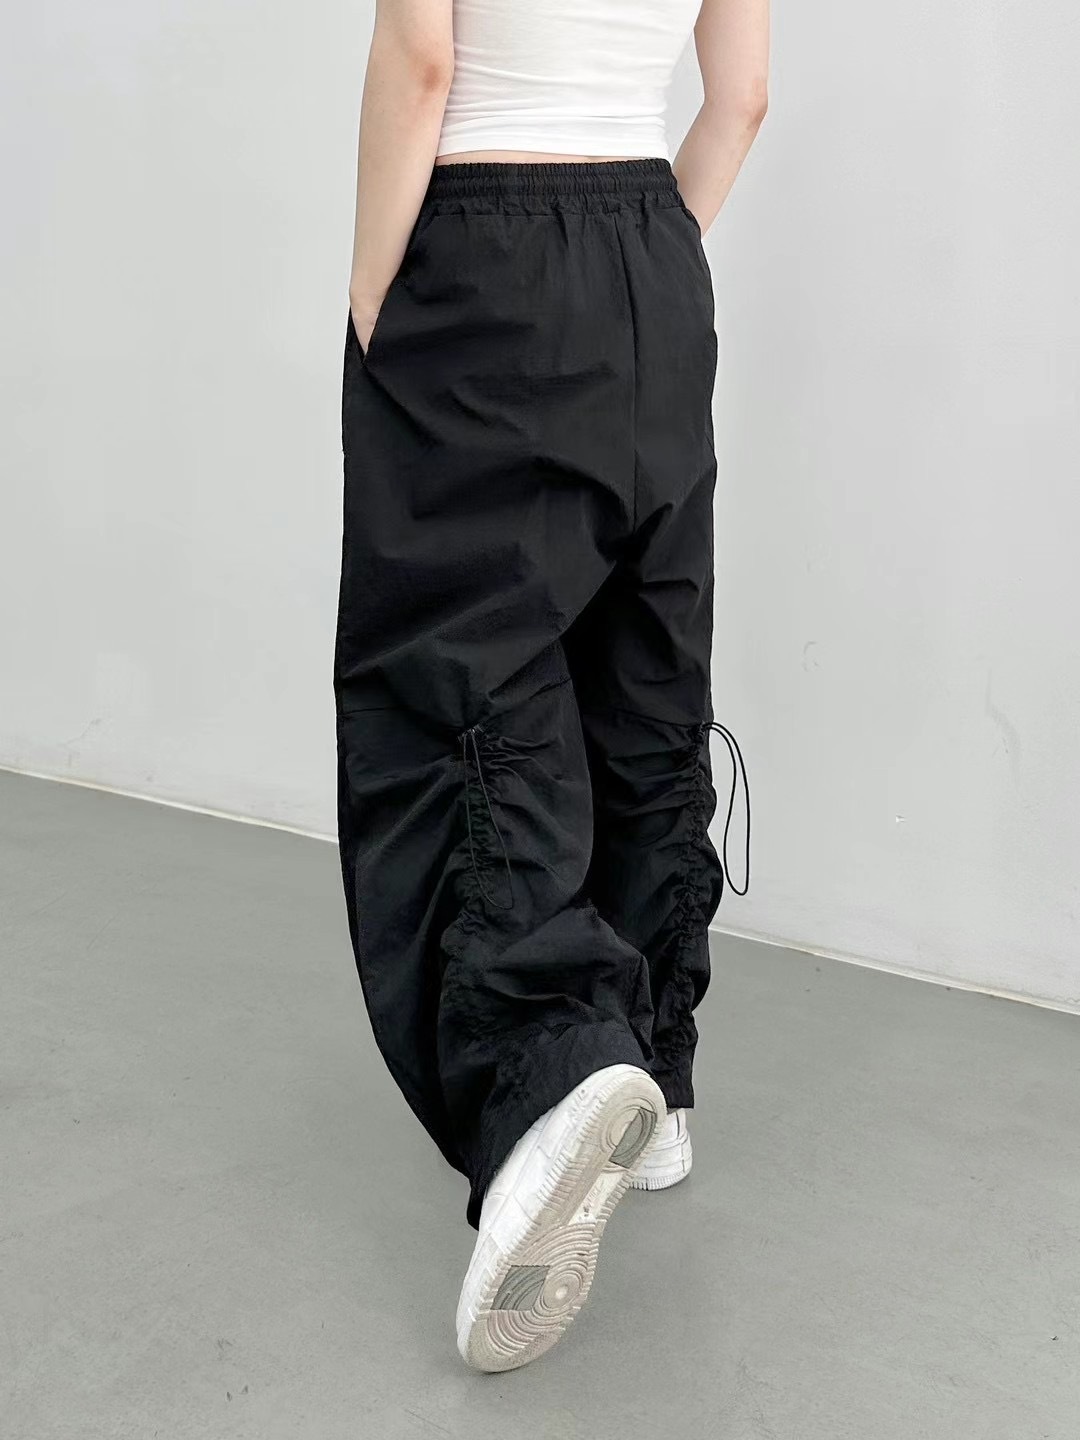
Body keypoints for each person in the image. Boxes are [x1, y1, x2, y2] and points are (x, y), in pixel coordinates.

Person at [335, 0, 767, 1372]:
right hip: (655, 247)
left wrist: (374, 299)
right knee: (641, 674)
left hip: (482, 246)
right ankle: (657, 1070)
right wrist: (654, 252)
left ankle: (550, 1076)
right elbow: (740, 100)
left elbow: (421, 61)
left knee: (468, 682)